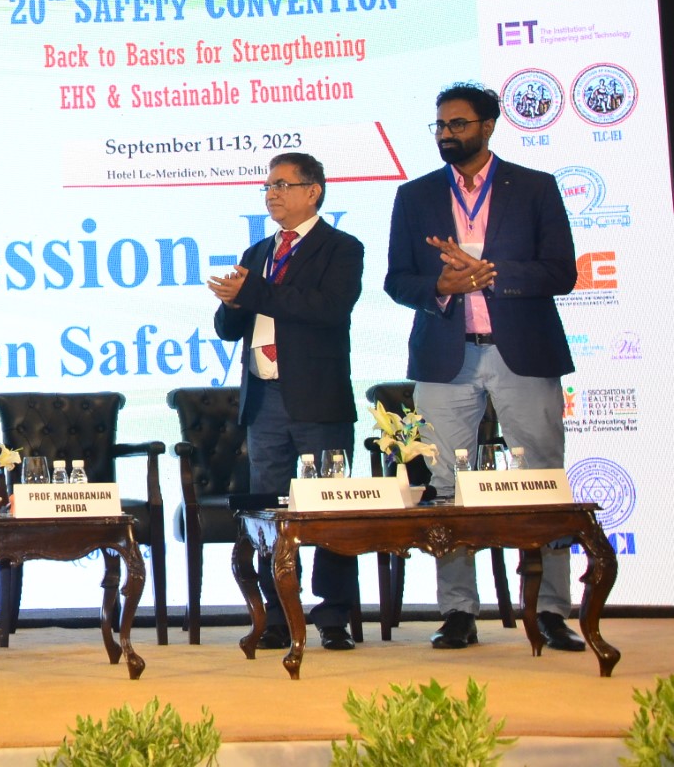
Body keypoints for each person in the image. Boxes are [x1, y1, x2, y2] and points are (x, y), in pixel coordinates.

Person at [384, 82, 584, 652]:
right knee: (446, 484)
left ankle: (550, 610)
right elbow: (398, 280)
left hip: (523, 351)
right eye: (440, 125)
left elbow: (561, 272)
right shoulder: (415, 195)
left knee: (541, 478)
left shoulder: (535, 188)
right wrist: (442, 285)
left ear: (488, 126)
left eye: (459, 124)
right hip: (446, 354)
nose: (447, 134)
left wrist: (490, 273)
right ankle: (457, 611)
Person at [208, 152, 364, 651]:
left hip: (318, 397)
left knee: (330, 511)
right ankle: (275, 615)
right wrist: (233, 302)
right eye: (268, 187)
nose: (271, 194)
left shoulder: (341, 248)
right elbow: (230, 328)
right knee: (269, 515)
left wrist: (255, 292)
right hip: (264, 398)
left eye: (282, 185)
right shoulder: (258, 251)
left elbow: (327, 308)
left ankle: (334, 616)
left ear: (312, 191)